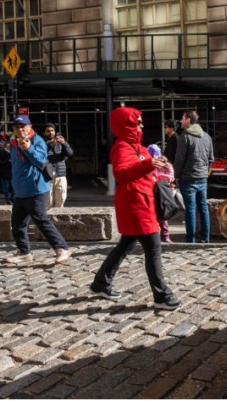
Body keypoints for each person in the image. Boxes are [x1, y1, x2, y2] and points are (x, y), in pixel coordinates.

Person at [90, 107, 181, 309]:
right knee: (153, 249)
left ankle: (100, 283)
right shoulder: (122, 147)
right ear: (126, 125)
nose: (141, 125)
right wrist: (150, 165)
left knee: (125, 245)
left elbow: (143, 172)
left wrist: (159, 170)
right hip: (136, 206)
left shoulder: (136, 147)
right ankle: (161, 295)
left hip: (143, 203)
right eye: (137, 122)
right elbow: (122, 174)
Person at [3, 115, 72, 264]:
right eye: (16, 127)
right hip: (20, 190)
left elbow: (41, 160)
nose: (20, 129)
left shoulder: (37, 140)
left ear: (30, 126)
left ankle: (62, 248)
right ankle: (24, 252)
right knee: (17, 224)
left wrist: (28, 148)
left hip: (36, 189)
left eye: (23, 126)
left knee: (41, 220)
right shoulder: (13, 142)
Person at [173, 110, 214, 243]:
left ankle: (190, 239)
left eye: (182, 118)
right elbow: (211, 159)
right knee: (203, 208)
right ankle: (205, 238)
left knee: (190, 209)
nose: (180, 121)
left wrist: (175, 176)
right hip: (202, 178)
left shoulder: (185, 136)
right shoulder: (207, 136)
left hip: (188, 178)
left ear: (189, 120)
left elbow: (179, 160)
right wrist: (205, 172)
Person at [147, 143, 175, 243]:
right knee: (153, 215)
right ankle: (154, 236)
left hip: (162, 192)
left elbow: (171, 176)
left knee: (163, 214)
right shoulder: (148, 164)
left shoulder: (166, 164)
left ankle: (165, 235)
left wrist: (160, 178)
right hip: (152, 192)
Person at [43, 123, 74, 208]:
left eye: (52, 130)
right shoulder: (42, 143)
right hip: (47, 176)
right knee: (48, 202)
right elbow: (41, 156)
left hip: (60, 175)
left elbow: (70, 153)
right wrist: (49, 144)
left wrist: (64, 143)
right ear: (44, 133)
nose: (50, 132)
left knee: (61, 200)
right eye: (48, 131)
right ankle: (48, 220)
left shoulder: (60, 143)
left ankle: (58, 221)